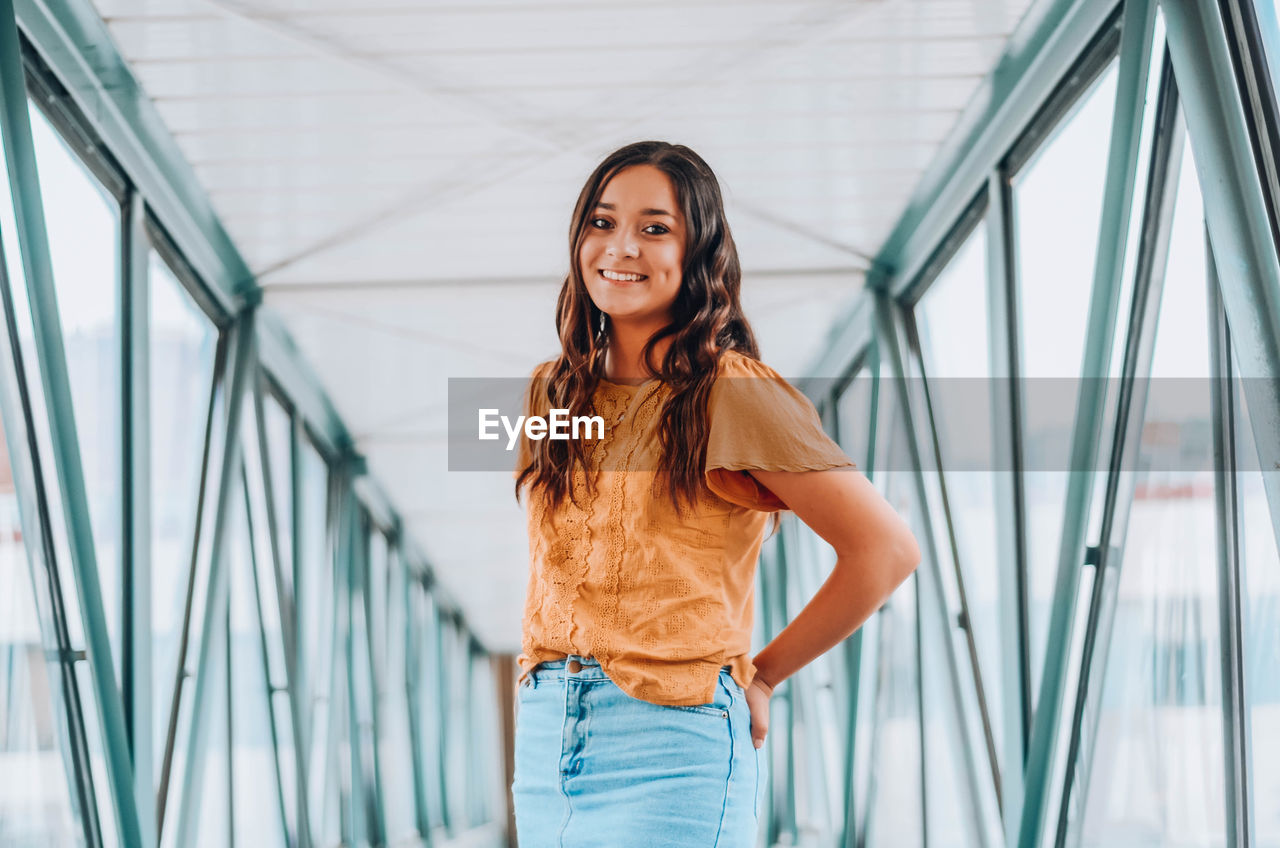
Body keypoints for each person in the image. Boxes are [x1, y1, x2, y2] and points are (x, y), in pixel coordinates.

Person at [511, 140, 920, 847]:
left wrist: (762, 677)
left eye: (655, 227)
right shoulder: (552, 391)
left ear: (697, 253)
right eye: (602, 223)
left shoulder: (729, 392)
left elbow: (884, 549)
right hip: (548, 737)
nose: (621, 247)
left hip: (670, 746)